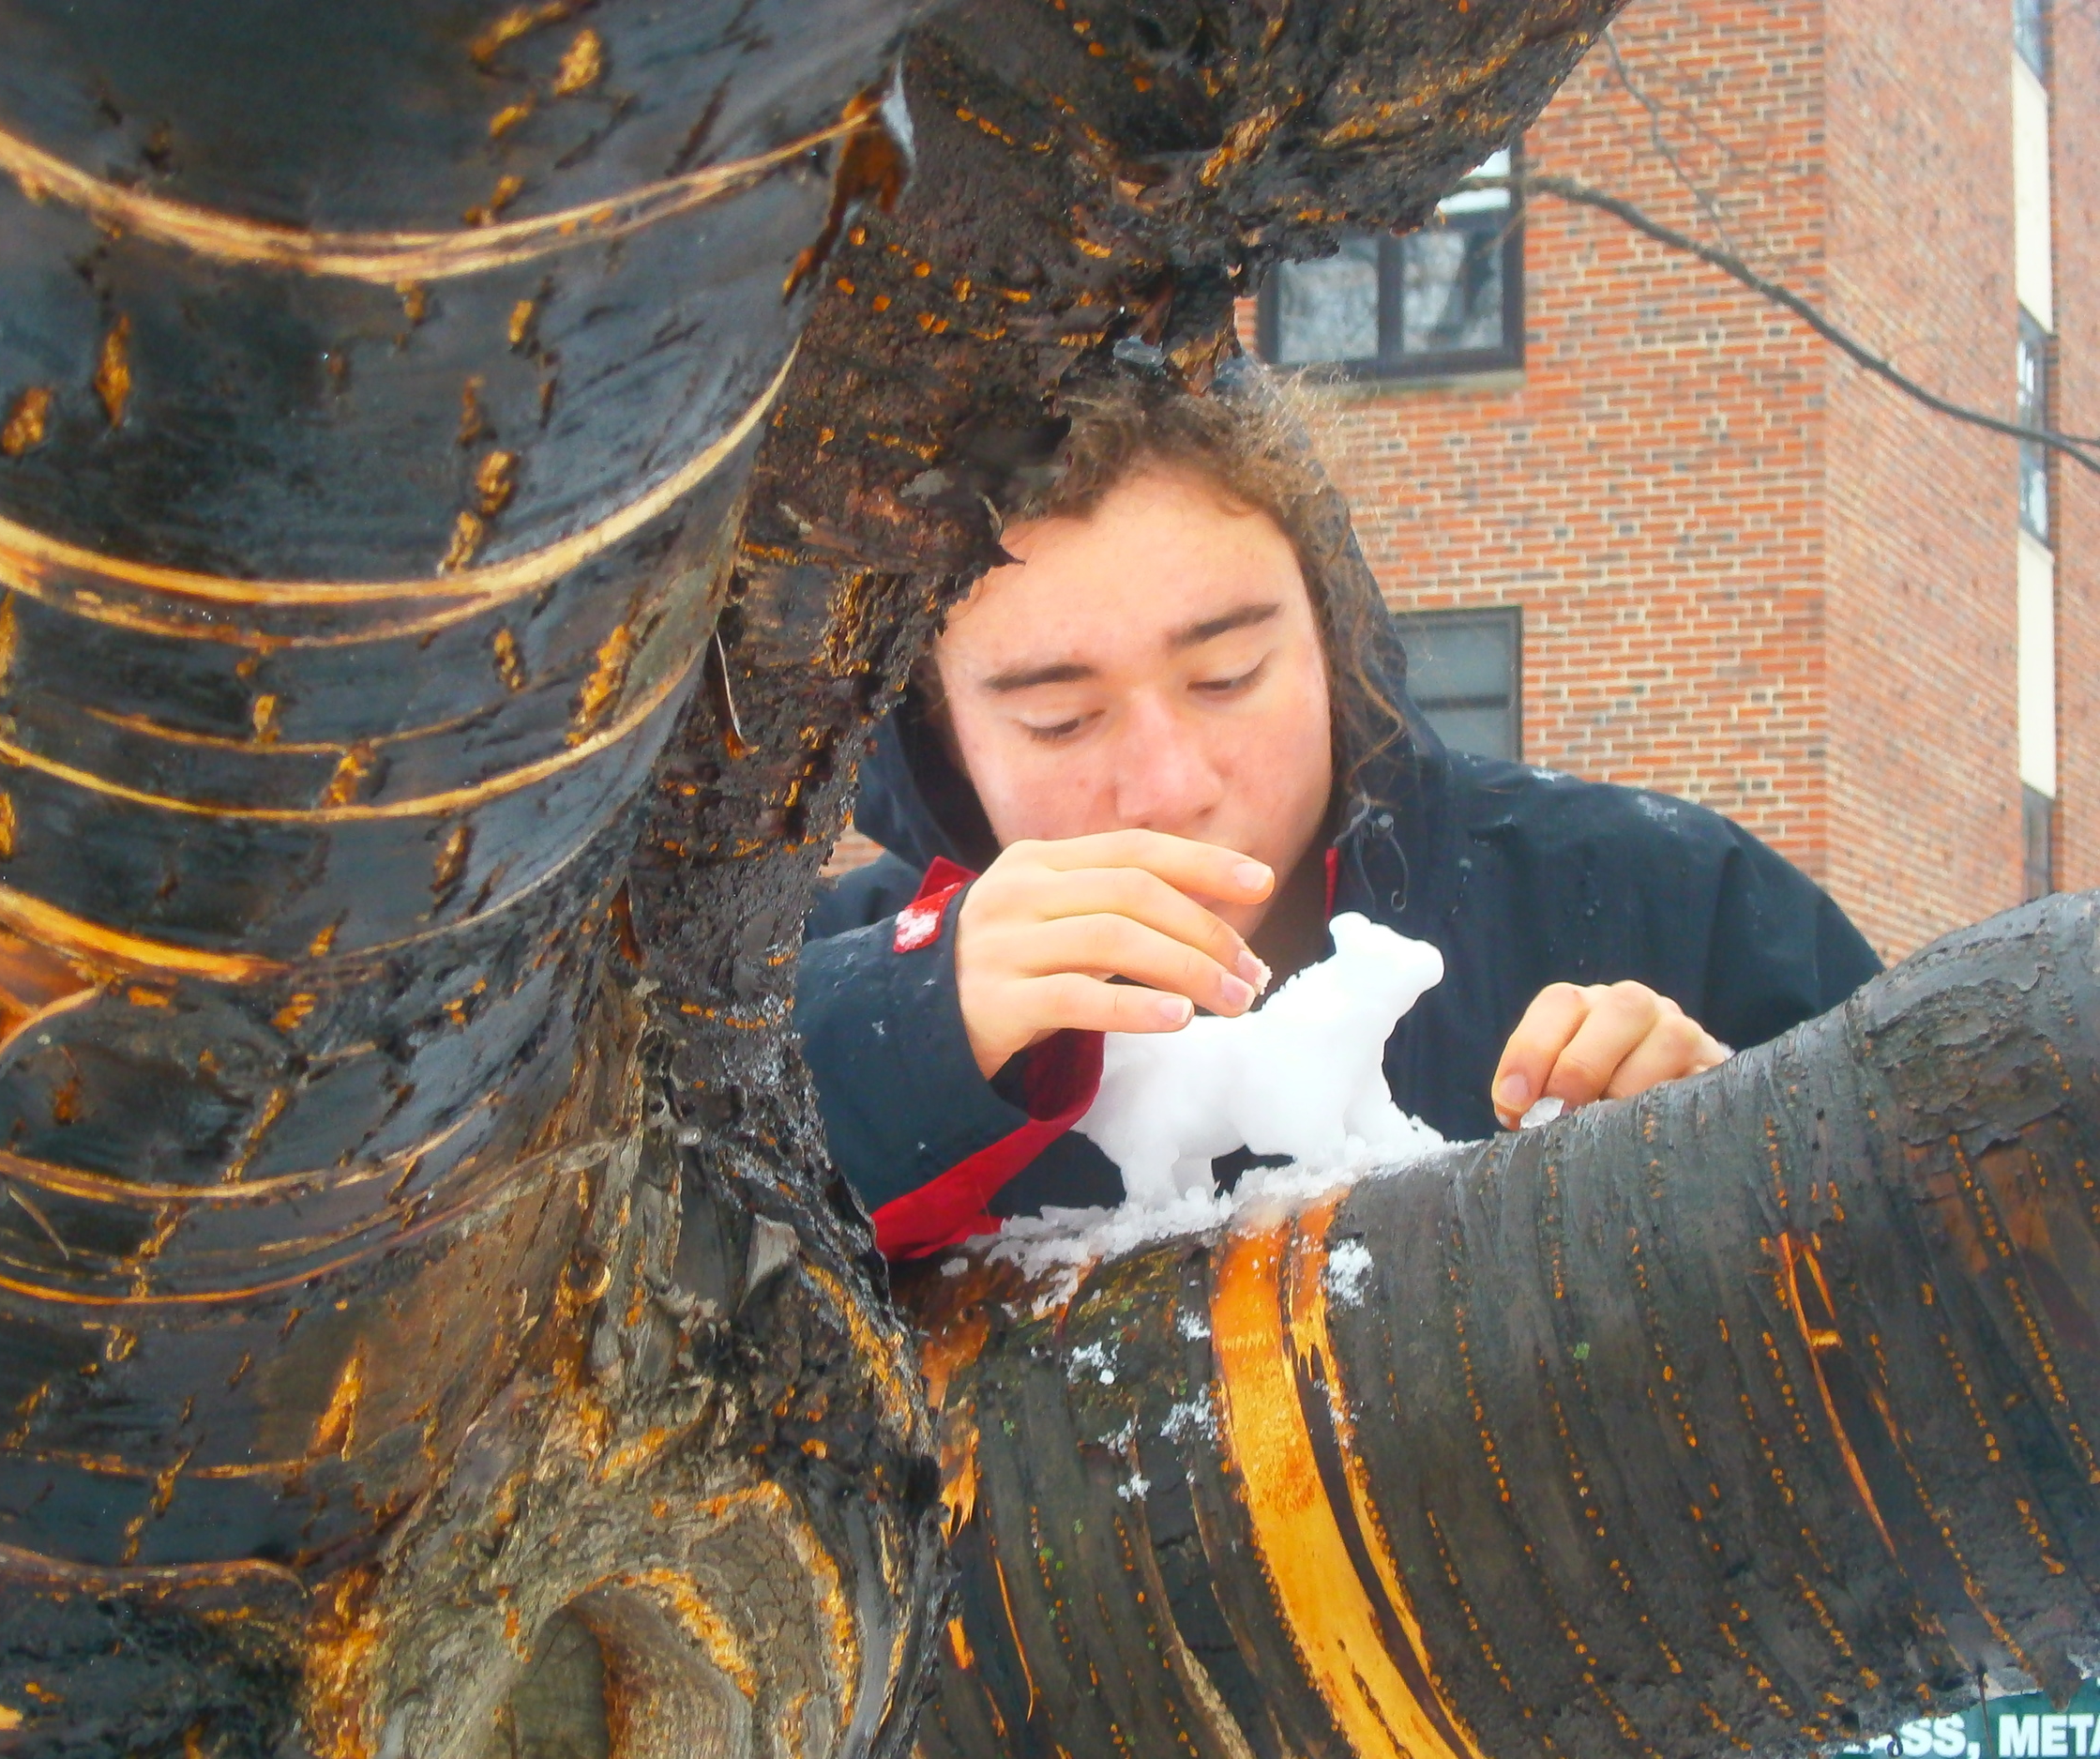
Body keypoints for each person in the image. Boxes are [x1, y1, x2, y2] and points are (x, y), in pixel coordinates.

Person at [797, 360, 1881, 1259]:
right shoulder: (778, 1000)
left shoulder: (1668, 903)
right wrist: (900, 1041)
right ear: (936, 734)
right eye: (1061, 720)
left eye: (1226, 675)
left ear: (1328, 634)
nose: (1172, 783)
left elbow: (1952, 1309)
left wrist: (1745, 1163)